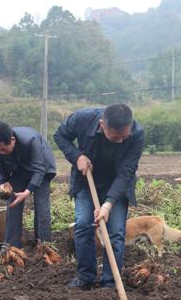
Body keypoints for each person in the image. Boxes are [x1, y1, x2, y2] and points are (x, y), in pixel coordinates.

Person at [54, 104, 144, 289]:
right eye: (115, 137)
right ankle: (85, 277)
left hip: (117, 184)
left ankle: (110, 282)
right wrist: (77, 156)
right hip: (86, 181)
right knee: (83, 225)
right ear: (102, 124)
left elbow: (127, 171)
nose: (120, 141)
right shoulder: (82, 119)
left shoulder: (137, 133)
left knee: (116, 233)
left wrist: (108, 204)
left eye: (124, 136)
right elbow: (59, 136)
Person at [0, 122, 56, 247]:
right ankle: (11, 246)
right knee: (13, 204)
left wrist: (27, 191)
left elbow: (39, 169)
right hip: (18, 170)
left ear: (12, 140)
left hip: (42, 169)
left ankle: (44, 244)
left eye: (3, 149)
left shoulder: (30, 140)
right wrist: (2, 184)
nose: (1, 153)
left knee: (41, 207)